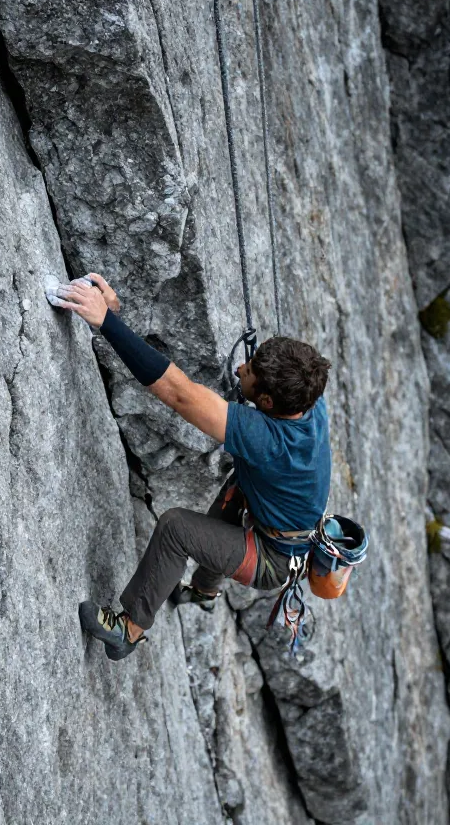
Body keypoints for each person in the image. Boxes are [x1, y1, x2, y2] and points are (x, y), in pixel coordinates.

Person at [55, 274, 332, 661]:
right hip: (282, 524)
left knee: (177, 529)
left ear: (268, 402)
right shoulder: (308, 396)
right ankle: (204, 591)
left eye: (248, 373)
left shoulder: (270, 440)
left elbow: (180, 395)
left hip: (274, 558)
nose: (239, 370)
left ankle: (128, 630)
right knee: (236, 490)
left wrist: (108, 321)